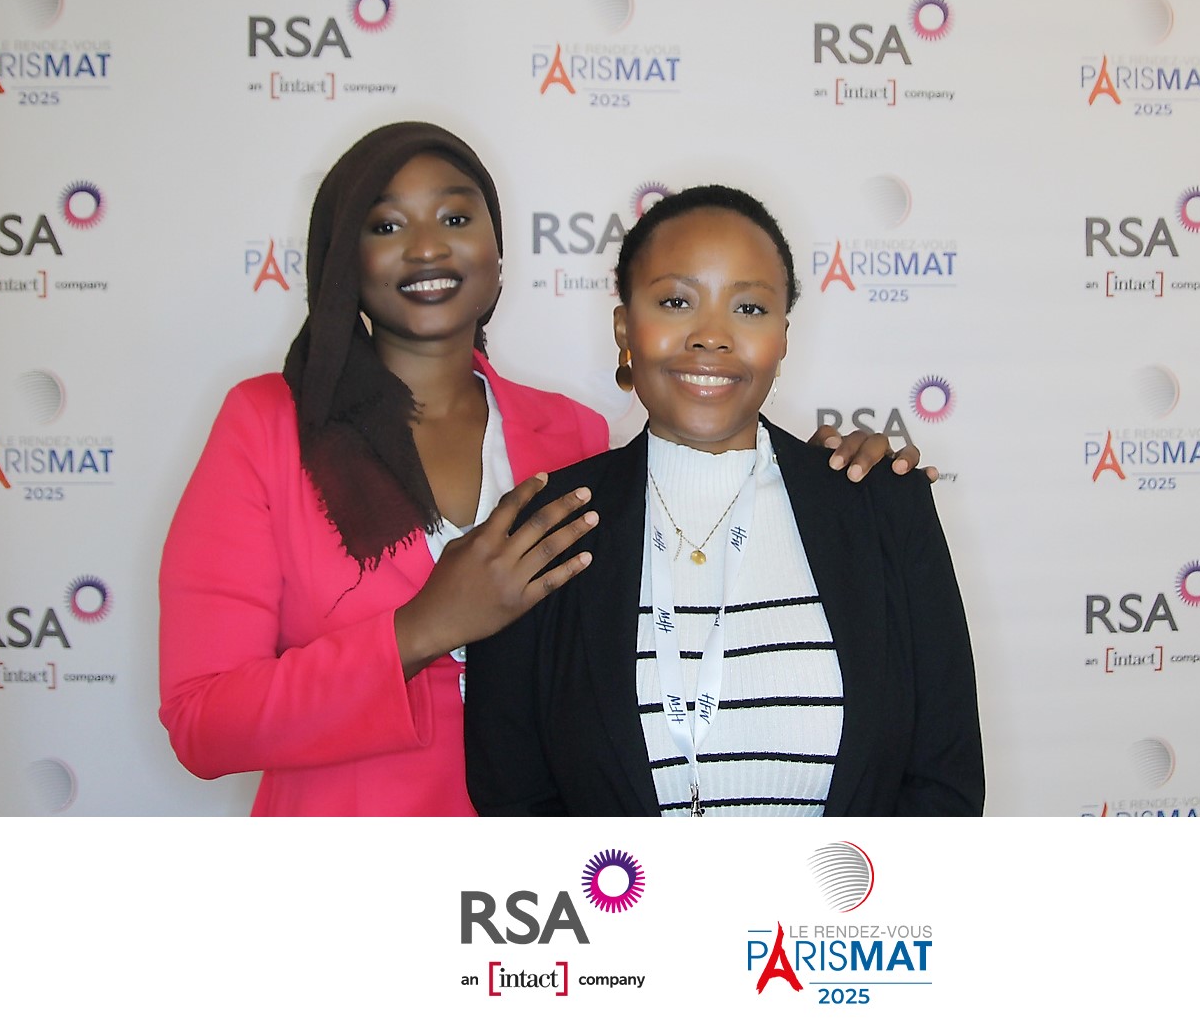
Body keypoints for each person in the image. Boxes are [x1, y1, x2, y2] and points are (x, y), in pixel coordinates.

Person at [158, 124, 924, 816]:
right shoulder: (267, 426)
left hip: (555, 883)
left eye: (456, 218)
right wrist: (421, 630)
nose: (426, 248)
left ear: (498, 253)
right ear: (341, 258)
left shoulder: (570, 436)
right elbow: (202, 720)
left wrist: (834, 482)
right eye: (386, 225)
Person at [465, 184, 984, 816]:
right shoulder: (544, 531)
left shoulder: (883, 509)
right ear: (625, 328)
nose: (711, 336)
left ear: (783, 338)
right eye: (676, 301)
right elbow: (514, 804)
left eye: (749, 308)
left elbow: (944, 788)